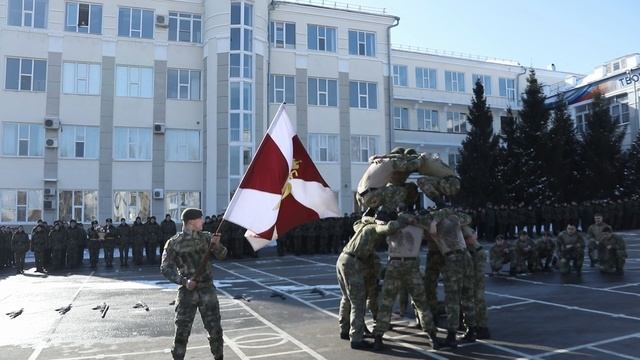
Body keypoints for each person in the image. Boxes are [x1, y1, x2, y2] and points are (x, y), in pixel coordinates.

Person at [161, 208, 228, 360]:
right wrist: (184, 281)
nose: (203, 221)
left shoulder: (207, 238)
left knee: (215, 330)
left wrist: (217, 245)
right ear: (191, 222)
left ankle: (219, 357)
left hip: (207, 290)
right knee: (182, 333)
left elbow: (223, 255)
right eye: (200, 219)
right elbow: (165, 268)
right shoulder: (174, 243)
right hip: (187, 293)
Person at [336, 209, 407, 350]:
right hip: (354, 263)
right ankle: (356, 338)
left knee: (346, 298)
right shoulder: (375, 228)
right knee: (358, 302)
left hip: (343, 259)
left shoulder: (362, 225)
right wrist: (404, 220)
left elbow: (358, 221)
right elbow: (390, 228)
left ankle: (344, 330)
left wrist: (371, 218)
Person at [372, 213, 440, 351]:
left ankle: (378, 337)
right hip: (408, 264)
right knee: (420, 302)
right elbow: (432, 230)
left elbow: (378, 227)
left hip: (398, 264)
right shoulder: (417, 225)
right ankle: (432, 336)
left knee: (388, 302)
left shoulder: (392, 225)